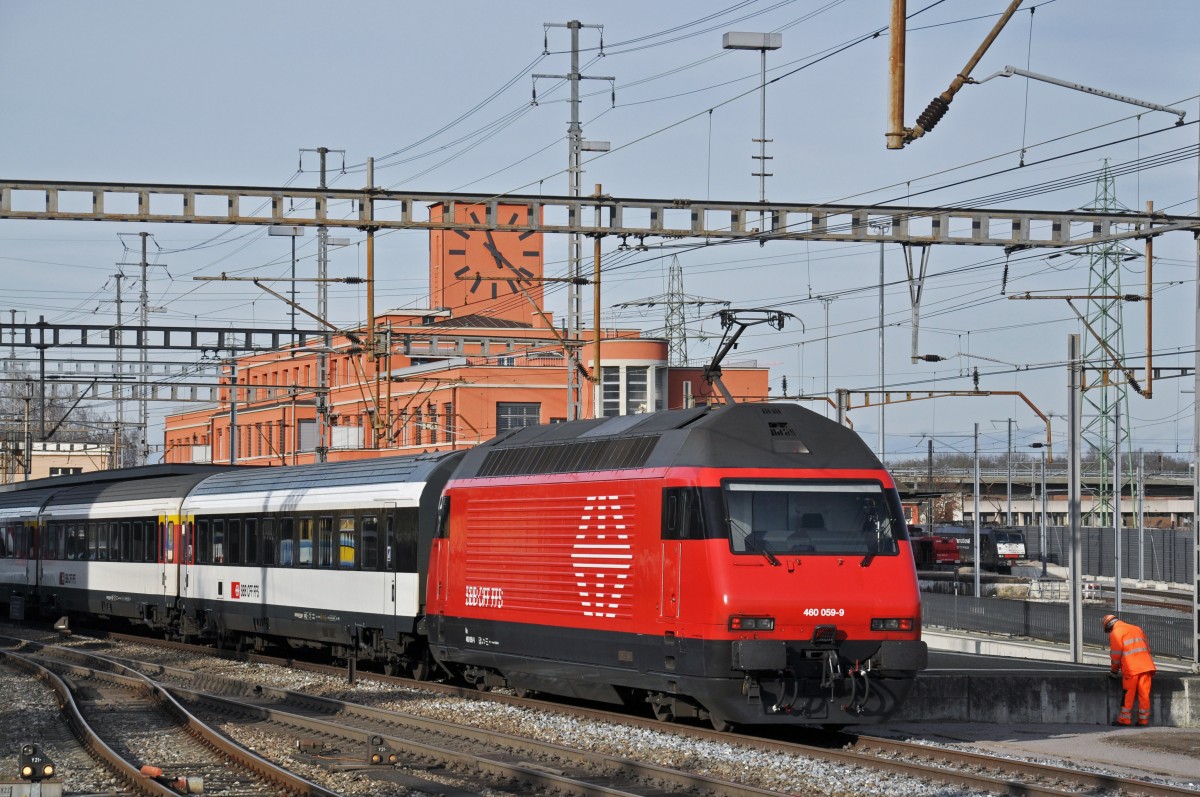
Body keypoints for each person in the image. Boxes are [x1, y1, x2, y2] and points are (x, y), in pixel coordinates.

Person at [1102, 613, 1156, 727]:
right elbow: (1147, 648)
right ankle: (1143, 721)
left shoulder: (1116, 633)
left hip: (1131, 668)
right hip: (1146, 666)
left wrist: (1114, 671)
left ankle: (1124, 720)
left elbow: (1116, 656)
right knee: (1144, 695)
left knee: (1128, 694)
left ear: (1109, 626)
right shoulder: (1136, 628)